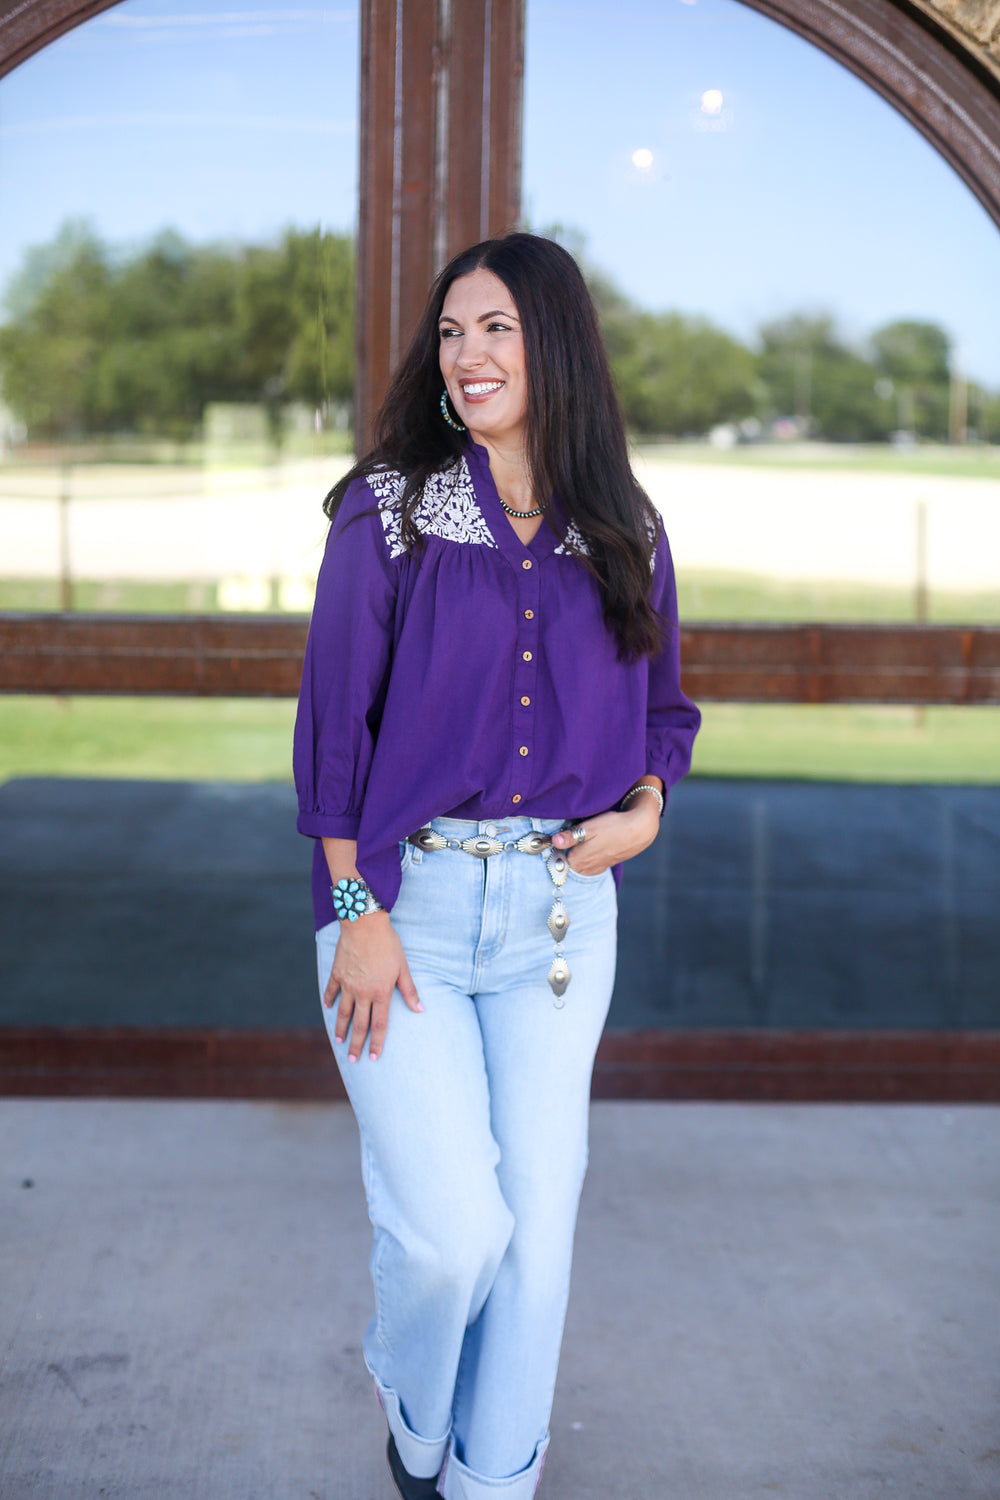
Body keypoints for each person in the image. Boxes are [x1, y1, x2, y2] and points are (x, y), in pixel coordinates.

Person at [294, 232, 700, 1500]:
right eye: (453, 332)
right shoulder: (393, 512)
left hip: (564, 923)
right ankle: (413, 1401)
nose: (467, 356)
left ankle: (488, 1479)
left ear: (555, 345)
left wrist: (642, 813)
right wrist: (356, 908)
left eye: (498, 330)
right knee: (454, 1237)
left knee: (537, 1243)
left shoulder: (624, 524)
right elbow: (328, 734)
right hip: (401, 912)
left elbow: (665, 718)